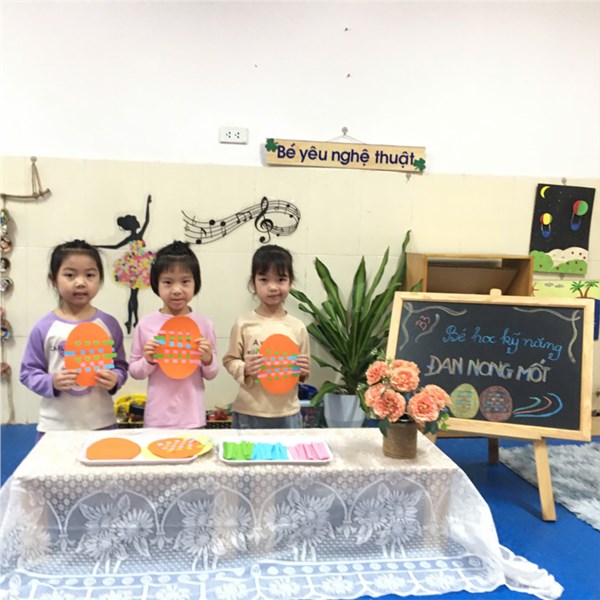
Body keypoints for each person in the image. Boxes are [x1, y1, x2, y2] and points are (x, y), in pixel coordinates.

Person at [20, 240, 128, 439]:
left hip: (101, 423)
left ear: (100, 279)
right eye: (70, 275)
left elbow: (120, 366)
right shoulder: (44, 327)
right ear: (53, 279)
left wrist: (116, 379)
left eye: (90, 275)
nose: (80, 282)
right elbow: (28, 372)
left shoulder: (109, 324)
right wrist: (51, 381)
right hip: (55, 426)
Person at [129, 241, 218, 428]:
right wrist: (148, 361)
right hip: (157, 419)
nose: (177, 290)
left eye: (185, 282)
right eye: (168, 282)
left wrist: (208, 359)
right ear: (157, 284)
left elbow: (211, 374)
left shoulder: (204, 324)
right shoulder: (145, 324)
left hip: (193, 418)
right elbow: (135, 372)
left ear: (195, 283)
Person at [223, 244, 310, 429]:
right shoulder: (244, 324)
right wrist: (245, 368)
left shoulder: (298, 327)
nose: (273, 287)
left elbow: (302, 372)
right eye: (264, 279)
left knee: (287, 450)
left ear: (290, 282)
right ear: (253, 283)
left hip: (287, 412)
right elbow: (230, 360)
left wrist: (303, 371)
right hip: (249, 411)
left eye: (281, 279)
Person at [96, 194, 154, 334]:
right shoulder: (136, 236)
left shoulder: (134, 236)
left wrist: (147, 204)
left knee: (133, 295)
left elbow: (147, 221)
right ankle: (134, 320)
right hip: (135, 267)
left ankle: (131, 320)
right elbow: (116, 246)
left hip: (137, 266)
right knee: (133, 295)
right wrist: (97, 246)